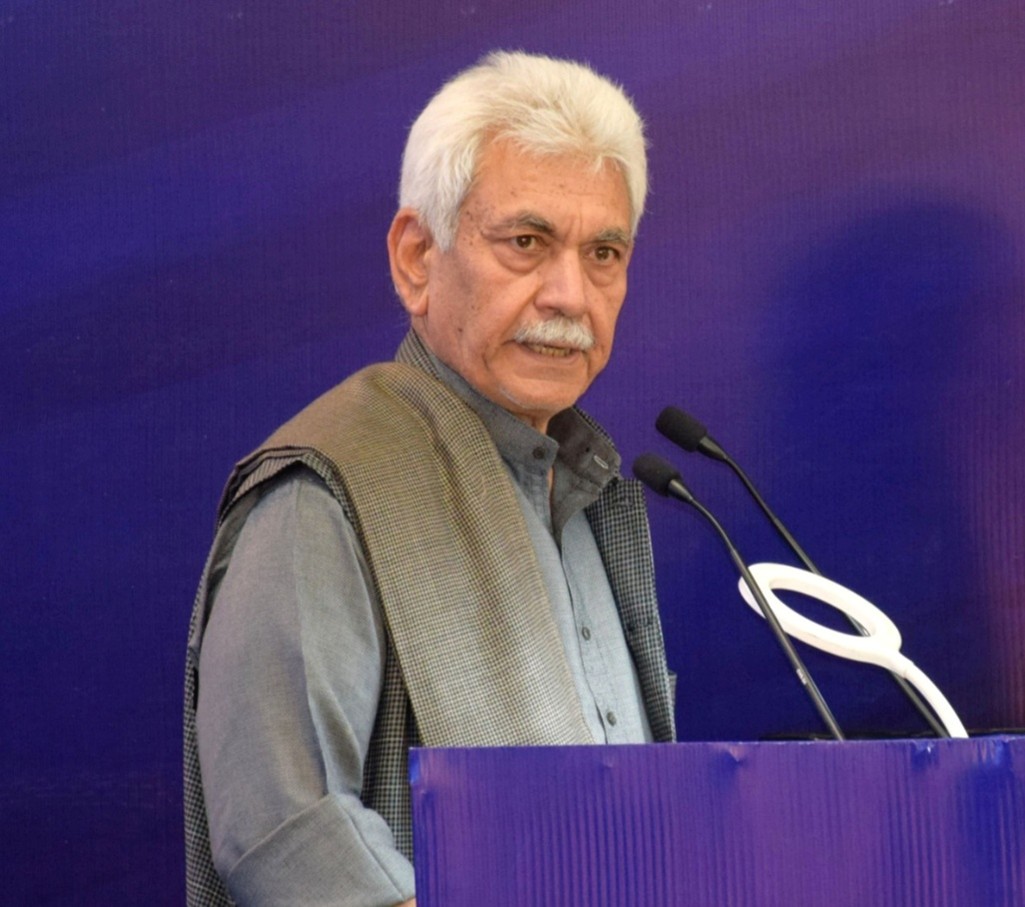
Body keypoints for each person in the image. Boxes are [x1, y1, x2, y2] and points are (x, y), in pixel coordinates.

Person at [182, 51, 675, 906]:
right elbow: (281, 831)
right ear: (416, 257)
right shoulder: (326, 490)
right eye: (526, 243)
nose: (569, 294)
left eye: (604, 252)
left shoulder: (588, 493)